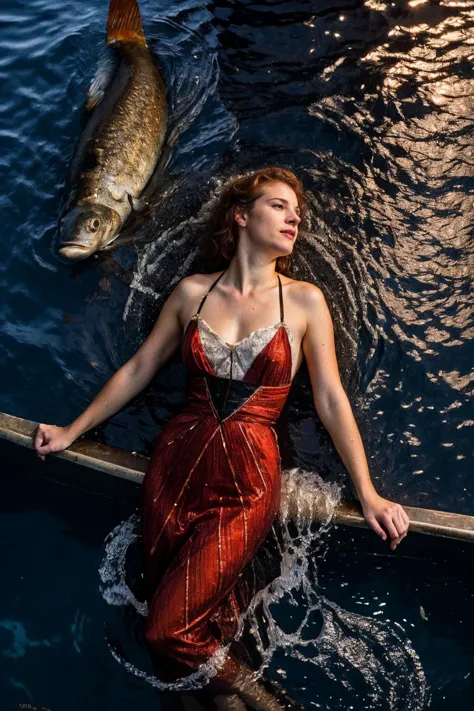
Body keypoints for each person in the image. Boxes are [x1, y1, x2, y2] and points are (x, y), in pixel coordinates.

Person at [34, 167, 410, 710]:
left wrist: (368, 492)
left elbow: (331, 401)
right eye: (279, 205)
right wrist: (72, 431)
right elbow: (139, 370)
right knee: (188, 621)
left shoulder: (305, 301)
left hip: (247, 477)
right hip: (175, 467)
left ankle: (271, 704)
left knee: (168, 630)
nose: (294, 217)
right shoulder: (190, 292)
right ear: (241, 214)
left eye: (295, 211)